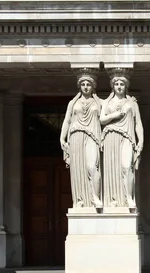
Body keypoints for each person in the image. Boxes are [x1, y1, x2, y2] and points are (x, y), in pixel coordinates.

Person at [60, 69, 104, 208]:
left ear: (93, 86)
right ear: (80, 86)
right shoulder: (73, 103)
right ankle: (80, 200)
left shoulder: (99, 103)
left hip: (93, 136)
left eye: (88, 84)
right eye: (83, 84)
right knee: (78, 169)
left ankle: (95, 197)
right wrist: (62, 138)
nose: (86, 86)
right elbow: (67, 121)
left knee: (93, 166)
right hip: (76, 136)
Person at [100, 69, 144, 208]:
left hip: (127, 136)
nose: (119, 86)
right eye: (117, 84)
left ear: (126, 86)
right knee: (112, 169)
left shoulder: (132, 103)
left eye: (122, 84)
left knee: (127, 167)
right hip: (111, 136)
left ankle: (129, 198)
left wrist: (140, 141)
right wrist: (114, 115)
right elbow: (101, 120)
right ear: (113, 86)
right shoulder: (107, 102)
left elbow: (138, 124)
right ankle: (114, 200)